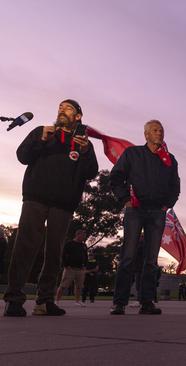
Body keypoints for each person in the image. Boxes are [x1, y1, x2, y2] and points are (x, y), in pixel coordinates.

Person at [4, 99, 98, 317]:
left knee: (54, 253)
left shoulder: (83, 143)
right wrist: (41, 140)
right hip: (36, 197)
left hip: (64, 203)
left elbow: (91, 172)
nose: (61, 109)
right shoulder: (42, 132)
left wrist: (85, 152)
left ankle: (44, 302)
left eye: (67, 107)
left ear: (78, 116)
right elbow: (22, 156)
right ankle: (14, 299)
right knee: (25, 247)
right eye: (59, 107)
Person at [109, 120, 180, 315]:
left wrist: (168, 204)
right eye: (155, 130)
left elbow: (175, 185)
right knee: (128, 256)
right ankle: (119, 302)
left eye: (161, 130)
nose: (159, 133)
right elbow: (116, 177)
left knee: (151, 259)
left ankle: (146, 301)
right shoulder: (133, 154)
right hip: (135, 211)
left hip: (157, 212)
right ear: (146, 135)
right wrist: (125, 199)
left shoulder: (170, 159)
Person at [55, 229, 88, 306]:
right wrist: (66, 265)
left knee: (79, 286)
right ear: (78, 235)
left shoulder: (83, 245)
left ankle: (77, 301)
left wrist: (85, 266)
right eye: (83, 235)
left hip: (80, 269)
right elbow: (63, 255)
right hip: (70, 268)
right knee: (63, 285)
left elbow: (86, 256)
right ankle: (57, 301)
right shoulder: (69, 244)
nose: (84, 237)